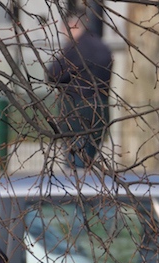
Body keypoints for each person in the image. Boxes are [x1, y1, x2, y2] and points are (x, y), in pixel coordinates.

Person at [47, 8, 113, 168]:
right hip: (100, 108)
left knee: (75, 161)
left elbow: (53, 74)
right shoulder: (102, 47)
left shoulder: (75, 48)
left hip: (75, 109)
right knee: (88, 155)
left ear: (73, 26)